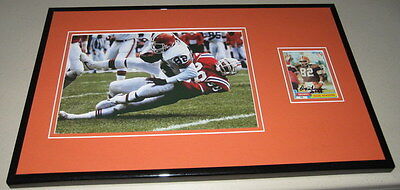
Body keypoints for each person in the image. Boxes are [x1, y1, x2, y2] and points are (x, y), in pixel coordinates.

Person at [59, 54, 239, 119]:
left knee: (123, 107)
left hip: (171, 92)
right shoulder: (207, 57)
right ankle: (109, 98)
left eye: (226, 68)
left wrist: (169, 80)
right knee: (114, 86)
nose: (222, 67)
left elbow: (193, 88)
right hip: (160, 78)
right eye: (225, 64)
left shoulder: (221, 84)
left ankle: (75, 117)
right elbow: (183, 60)